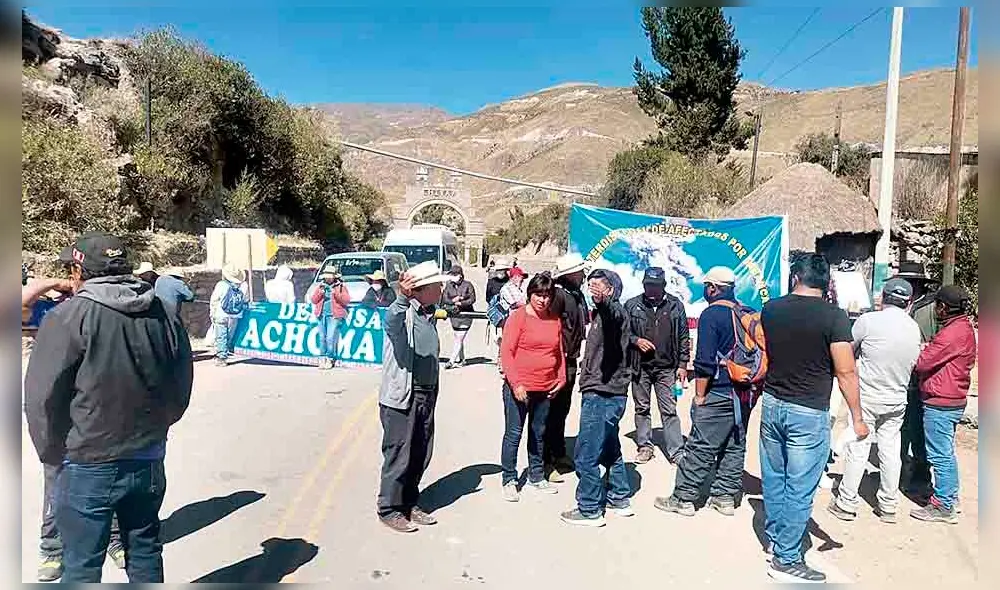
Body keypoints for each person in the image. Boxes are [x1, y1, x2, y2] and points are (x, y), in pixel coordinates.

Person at [24, 232, 193, 583]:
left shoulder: (68, 317)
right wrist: (159, 427)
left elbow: (41, 399)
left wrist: (53, 453)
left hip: (87, 462)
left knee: (82, 565)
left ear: (79, 272)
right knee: (145, 551)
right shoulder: (162, 311)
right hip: (147, 457)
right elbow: (180, 379)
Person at [758, 253, 868, 583]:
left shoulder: (772, 309)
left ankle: (778, 540)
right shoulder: (834, 317)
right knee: (800, 486)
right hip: (807, 411)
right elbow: (846, 371)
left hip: (773, 403)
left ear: (796, 278)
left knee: (775, 478)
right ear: (826, 283)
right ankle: (786, 558)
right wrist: (857, 418)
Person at [22, 271, 126, 581]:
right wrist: (54, 284)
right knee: (57, 479)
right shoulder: (51, 308)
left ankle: (115, 538)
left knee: (111, 475)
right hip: (57, 405)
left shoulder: (101, 306)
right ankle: (52, 548)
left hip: (97, 406)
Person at [655, 266, 752, 518]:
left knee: (700, 445)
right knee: (734, 444)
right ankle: (724, 497)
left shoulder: (712, 314)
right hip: (744, 392)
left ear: (712, 288)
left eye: (706, 286)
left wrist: (700, 396)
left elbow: (705, 361)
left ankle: (684, 497)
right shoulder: (746, 312)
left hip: (718, 390)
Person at [828, 278, 922, 524]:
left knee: (859, 448)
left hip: (867, 396)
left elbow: (849, 349)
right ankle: (888, 506)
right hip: (897, 398)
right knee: (890, 451)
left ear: (883, 296)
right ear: (908, 302)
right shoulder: (913, 328)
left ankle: (847, 502)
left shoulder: (868, 321)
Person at [377, 261, 454, 533]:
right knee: (399, 453)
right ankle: (389, 508)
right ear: (421, 290)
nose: (442, 288)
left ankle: (409, 502)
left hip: (426, 394)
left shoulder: (426, 313)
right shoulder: (403, 313)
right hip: (403, 397)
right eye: (437, 284)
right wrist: (401, 297)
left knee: (421, 451)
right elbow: (391, 320)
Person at [561, 269, 634, 527]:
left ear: (611, 290)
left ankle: (589, 508)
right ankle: (619, 496)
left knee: (586, 452)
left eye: (597, 287)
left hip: (602, 393)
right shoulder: (608, 316)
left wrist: (605, 302)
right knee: (610, 448)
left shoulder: (613, 312)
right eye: (589, 285)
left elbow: (611, 313)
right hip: (611, 392)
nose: (592, 291)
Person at [909, 285, 977, 524]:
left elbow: (923, 363)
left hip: (941, 401)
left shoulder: (951, 334)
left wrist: (923, 351)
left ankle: (943, 505)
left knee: (939, 455)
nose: (935, 309)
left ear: (944, 308)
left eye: (937, 305)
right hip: (951, 397)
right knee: (945, 452)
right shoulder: (961, 328)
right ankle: (949, 496)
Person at [499, 273, 566, 501]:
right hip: (519, 388)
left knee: (538, 434)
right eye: (538, 294)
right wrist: (516, 383)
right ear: (530, 294)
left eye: (547, 295)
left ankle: (536, 476)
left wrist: (562, 378)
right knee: (514, 434)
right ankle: (509, 478)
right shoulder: (518, 318)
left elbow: (559, 353)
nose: (543, 300)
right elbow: (506, 353)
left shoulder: (554, 319)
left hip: (545, 388)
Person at [625, 267, 690, 465]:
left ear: (664, 285)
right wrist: (635, 341)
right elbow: (622, 333)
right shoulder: (632, 305)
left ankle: (676, 452)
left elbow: (683, 335)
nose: (651, 289)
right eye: (648, 285)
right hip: (640, 367)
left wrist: (683, 364)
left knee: (669, 409)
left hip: (666, 368)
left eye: (655, 286)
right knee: (642, 408)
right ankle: (645, 446)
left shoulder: (675, 305)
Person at [544, 253, 589, 482]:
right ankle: (546, 461)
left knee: (562, 410)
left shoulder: (577, 295)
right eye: (580, 271)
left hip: (571, 359)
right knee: (549, 412)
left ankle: (559, 451)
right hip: (557, 361)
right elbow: (550, 328)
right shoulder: (558, 295)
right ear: (570, 274)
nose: (583, 275)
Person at [897, 262, 940, 496]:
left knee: (919, 430)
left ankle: (922, 477)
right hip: (902, 376)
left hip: (921, 377)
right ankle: (899, 471)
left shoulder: (931, 308)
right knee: (902, 428)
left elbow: (938, 342)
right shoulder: (904, 306)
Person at [310, 268, 351, 370]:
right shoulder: (320, 286)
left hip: (334, 315)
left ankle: (330, 358)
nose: (328, 278)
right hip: (321, 314)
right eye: (326, 276)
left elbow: (346, 300)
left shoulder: (341, 286)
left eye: (330, 275)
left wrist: (335, 293)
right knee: (321, 337)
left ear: (334, 276)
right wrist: (320, 293)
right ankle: (322, 358)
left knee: (330, 337)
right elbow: (313, 300)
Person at [209, 263, 249, 366]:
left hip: (221, 313)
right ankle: (227, 350)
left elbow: (214, 299)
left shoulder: (221, 285)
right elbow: (246, 300)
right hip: (236, 314)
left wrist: (212, 312)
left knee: (221, 334)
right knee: (230, 334)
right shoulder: (244, 285)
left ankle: (222, 357)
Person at [441, 265, 477, 369]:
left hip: (467, 315)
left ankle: (451, 361)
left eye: (454, 274)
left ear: (460, 275)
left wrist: (461, 303)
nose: (452, 277)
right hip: (454, 316)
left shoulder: (468, 285)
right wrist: (453, 301)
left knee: (459, 337)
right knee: (458, 338)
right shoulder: (449, 286)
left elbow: (472, 299)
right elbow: (444, 298)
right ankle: (462, 359)